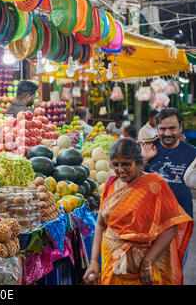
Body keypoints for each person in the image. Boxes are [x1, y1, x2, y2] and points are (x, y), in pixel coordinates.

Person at [83, 138, 193, 285]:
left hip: (142, 270)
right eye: (115, 164)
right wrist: (94, 262)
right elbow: (101, 225)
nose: (121, 170)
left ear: (138, 162)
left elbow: (170, 227)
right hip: (111, 263)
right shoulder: (110, 184)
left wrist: (148, 260)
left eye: (126, 164)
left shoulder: (154, 185)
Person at [140, 108, 196, 218]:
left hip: (181, 217)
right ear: (156, 128)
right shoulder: (147, 148)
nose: (167, 133)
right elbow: (133, 181)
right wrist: (144, 159)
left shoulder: (192, 153)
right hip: (152, 216)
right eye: (162, 129)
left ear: (180, 127)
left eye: (172, 128)